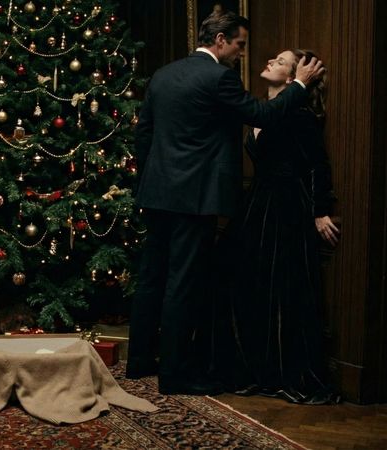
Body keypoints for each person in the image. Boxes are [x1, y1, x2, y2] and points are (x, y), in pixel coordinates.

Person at [126, 10, 326, 396]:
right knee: (183, 282)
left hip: (157, 193)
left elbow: (144, 135)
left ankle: (139, 362)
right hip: (196, 197)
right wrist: (300, 84)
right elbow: (262, 114)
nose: (241, 53)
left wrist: (148, 185)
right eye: (239, 44)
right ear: (220, 40)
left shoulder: (163, 74)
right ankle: (174, 374)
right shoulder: (220, 77)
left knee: (151, 277)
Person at [214, 49, 340, 404]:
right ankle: (250, 367)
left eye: (281, 61)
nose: (270, 61)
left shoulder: (299, 115)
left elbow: (317, 164)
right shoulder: (261, 109)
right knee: (242, 281)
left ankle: (278, 372)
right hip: (256, 204)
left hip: (285, 208)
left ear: (292, 77)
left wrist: (320, 211)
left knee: (280, 289)